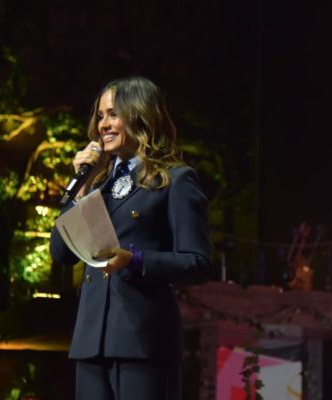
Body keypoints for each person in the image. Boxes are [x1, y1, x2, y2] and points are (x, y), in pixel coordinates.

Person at [49, 76, 212, 399]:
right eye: (99, 116)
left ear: (140, 116)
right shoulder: (97, 188)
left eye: (113, 114)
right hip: (90, 342)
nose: (102, 126)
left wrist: (135, 260)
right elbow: (62, 253)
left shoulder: (175, 180)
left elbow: (197, 263)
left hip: (142, 341)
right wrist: (80, 189)